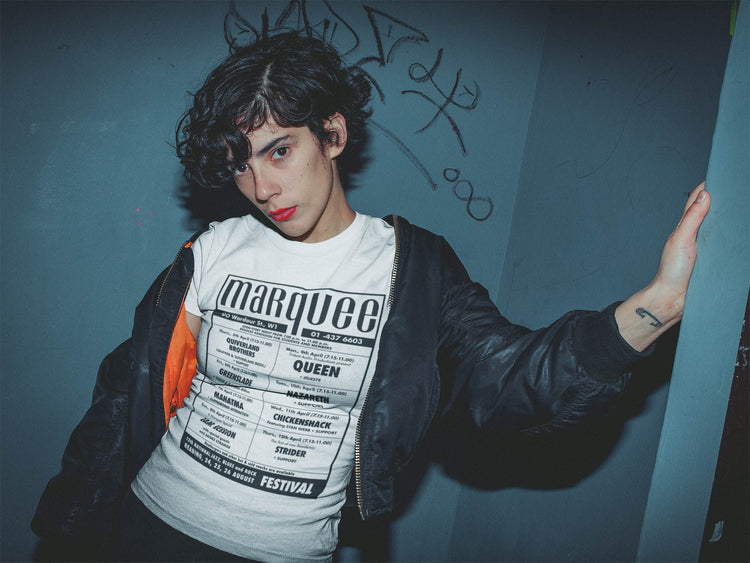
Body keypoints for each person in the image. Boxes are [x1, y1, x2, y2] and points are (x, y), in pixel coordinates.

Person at [32, 31, 711, 562]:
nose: (261, 188)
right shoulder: (212, 251)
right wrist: (67, 528)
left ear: (332, 134)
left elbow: (509, 377)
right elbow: (125, 388)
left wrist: (660, 303)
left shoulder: (411, 271)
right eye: (242, 163)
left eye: (278, 151)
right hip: (148, 525)